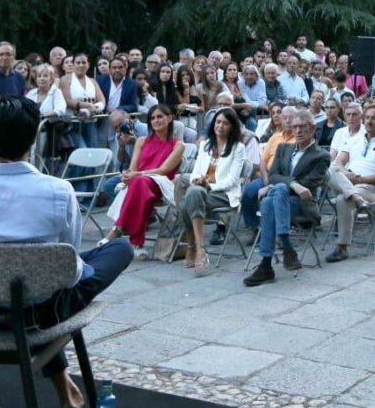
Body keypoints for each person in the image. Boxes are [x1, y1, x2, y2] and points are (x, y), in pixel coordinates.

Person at [0, 96, 134, 408]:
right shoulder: (58, 191)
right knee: (118, 250)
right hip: (35, 314)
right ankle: (65, 387)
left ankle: (67, 389)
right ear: (34, 139)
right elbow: (68, 272)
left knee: (36, 273)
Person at [243, 110, 330, 286]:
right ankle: (284, 246)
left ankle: (267, 263)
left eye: (302, 127)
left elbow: (307, 185)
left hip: (301, 203)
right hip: (280, 200)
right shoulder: (284, 148)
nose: (297, 131)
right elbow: (273, 176)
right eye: (295, 126)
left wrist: (291, 185)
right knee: (270, 200)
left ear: (312, 129)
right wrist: (292, 183)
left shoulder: (321, 156)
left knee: (275, 193)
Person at [103, 104, 185, 259]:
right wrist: (127, 175)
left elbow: (164, 170)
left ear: (169, 118)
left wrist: (136, 174)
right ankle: (136, 242)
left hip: (162, 183)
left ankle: (117, 230)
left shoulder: (178, 145)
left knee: (139, 182)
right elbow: (132, 168)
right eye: (152, 118)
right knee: (138, 184)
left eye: (160, 116)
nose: (156, 120)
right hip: (140, 184)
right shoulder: (141, 141)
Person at [178, 107, 246, 274]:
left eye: (225, 123)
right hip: (202, 190)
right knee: (185, 186)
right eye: (218, 122)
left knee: (191, 196)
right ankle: (196, 246)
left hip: (223, 193)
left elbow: (231, 181)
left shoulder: (238, 148)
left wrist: (208, 185)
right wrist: (197, 180)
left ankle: (196, 247)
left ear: (232, 127)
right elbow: (197, 171)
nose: (220, 126)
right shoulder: (206, 145)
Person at [324, 104, 375, 262]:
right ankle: (355, 198)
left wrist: (359, 179)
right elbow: (339, 162)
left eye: (374, 118)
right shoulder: (353, 140)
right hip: (346, 182)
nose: (369, 121)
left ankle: (342, 247)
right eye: (367, 118)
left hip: (367, 188)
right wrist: (346, 173)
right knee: (330, 169)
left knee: (343, 199)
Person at [61, 54, 105, 149]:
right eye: (78, 62)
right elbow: (67, 100)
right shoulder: (65, 80)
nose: (81, 65)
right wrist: (86, 105)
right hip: (73, 123)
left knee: (93, 150)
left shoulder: (93, 81)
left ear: (88, 65)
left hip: (90, 122)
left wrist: (89, 110)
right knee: (82, 151)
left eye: (84, 62)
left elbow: (102, 100)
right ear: (73, 65)